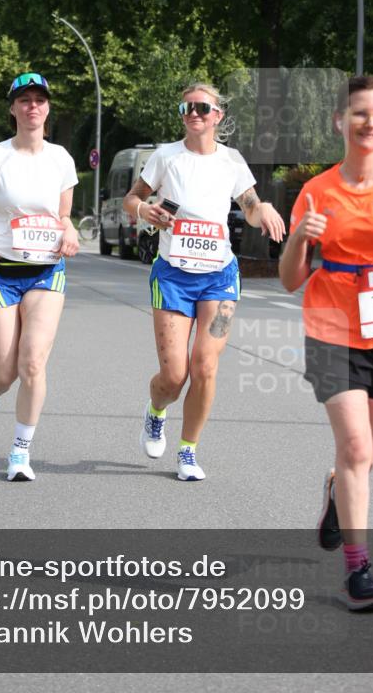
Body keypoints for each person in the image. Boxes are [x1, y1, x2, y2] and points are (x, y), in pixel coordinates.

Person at [279, 75, 373, 611]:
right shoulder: (318, 191)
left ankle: (338, 493)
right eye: (359, 114)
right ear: (340, 122)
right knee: (357, 449)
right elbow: (293, 278)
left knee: (366, 458)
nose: (370, 123)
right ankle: (358, 573)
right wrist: (298, 237)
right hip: (332, 327)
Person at [123, 81, 285, 481]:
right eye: (186, 108)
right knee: (175, 375)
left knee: (206, 367)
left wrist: (261, 210)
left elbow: (248, 207)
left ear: (218, 116)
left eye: (201, 107)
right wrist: (145, 209)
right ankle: (156, 411)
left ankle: (188, 451)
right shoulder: (166, 157)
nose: (193, 113)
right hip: (173, 277)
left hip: (221, 279)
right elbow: (132, 198)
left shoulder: (231, 161)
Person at [0, 73, 79, 481]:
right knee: (4, 371)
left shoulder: (61, 159)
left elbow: (64, 216)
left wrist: (70, 230)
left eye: (40, 100)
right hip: (0, 274)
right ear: (12, 108)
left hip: (47, 273)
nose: (33, 106)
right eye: (25, 100)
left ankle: (20, 452)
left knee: (32, 363)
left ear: (48, 109)